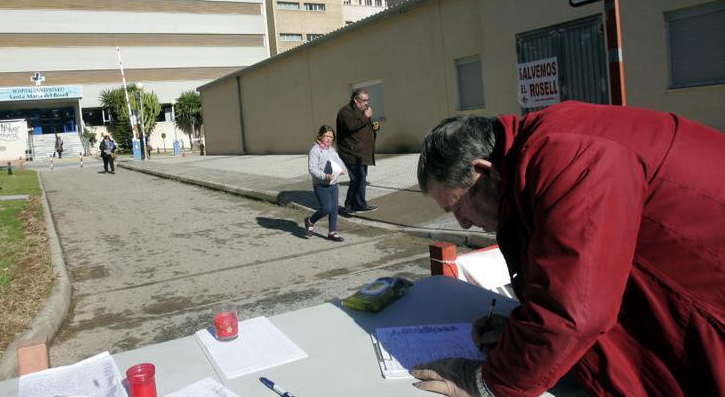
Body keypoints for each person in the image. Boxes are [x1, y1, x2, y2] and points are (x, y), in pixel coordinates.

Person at [411, 101, 725, 397]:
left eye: (459, 207)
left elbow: (575, 308)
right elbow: (576, 279)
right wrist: (525, 337)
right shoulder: (535, 158)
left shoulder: (568, 156)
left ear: (487, 172)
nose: (463, 225)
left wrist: (484, 382)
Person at [336, 88, 380, 215]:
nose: (366, 103)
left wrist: (374, 126)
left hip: (362, 152)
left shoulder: (362, 111)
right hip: (351, 152)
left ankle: (359, 204)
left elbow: (364, 125)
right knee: (357, 179)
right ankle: (350, 206)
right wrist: (366, 116)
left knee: (361, 178)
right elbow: (351, 126)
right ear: (355, 99)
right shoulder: (345, 112)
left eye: (367, 100)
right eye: (364, 100)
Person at [306, 125, 348, 241]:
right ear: (320, 136)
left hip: (333, 184)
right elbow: (312, 169)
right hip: (320, 185)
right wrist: (325, 176)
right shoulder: (315, 150)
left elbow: (338, 161)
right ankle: (310, 221)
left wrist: (343, 169)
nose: (329, 139)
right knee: (326, 208)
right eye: (326, 136)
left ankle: (332, 232)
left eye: (331, 137)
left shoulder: (331, 149)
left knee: (334, 209)